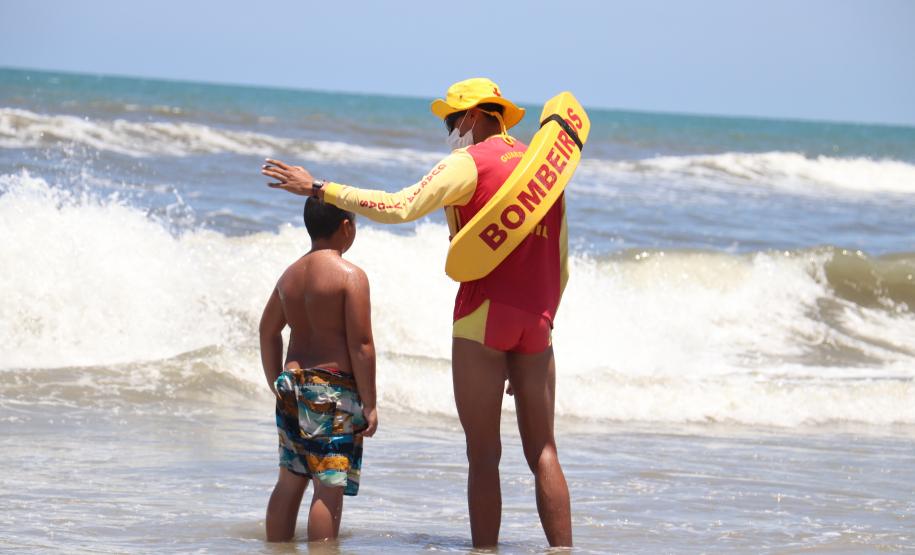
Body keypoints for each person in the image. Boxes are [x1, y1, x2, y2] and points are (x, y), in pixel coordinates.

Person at [261, 77, 572, 548]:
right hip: (539, 319)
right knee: (544, 450)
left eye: (452, 121)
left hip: (483, 315)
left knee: (483, 454)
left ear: (473, 117)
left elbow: (400, 206)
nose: (450, 132)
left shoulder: (467, 163)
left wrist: (321, 188)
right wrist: (541, 325)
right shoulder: (542, 166)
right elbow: (561, 259)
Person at [259, 196, 378, 543]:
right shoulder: (351, 276)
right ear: (346, 227)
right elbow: (361, 345)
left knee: (289, 480)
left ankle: (276, 549)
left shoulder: (290, 276)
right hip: (332, 391)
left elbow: (267, 331)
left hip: (292, 385)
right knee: (328, 487)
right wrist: (370, 404)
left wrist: (275, 381)